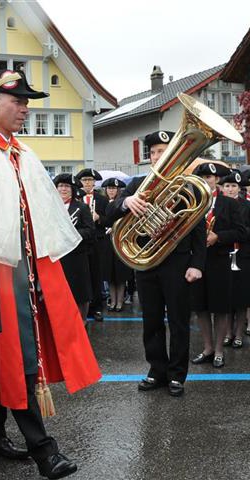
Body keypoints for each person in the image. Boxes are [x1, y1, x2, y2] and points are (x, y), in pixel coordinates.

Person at [0, 69, 101, 480]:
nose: (25, 108)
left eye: (27, 101)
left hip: (27, 271)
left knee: (4, 355)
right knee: (16, 357)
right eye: (17, 101)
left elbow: (42, 217)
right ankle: (44, 450)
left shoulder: (24, 153)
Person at [105, 130, 206, 397]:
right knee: (151, 320)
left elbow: (198, 230)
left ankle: (177, 375)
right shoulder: (137, 184)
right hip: (147, 261)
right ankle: (156, 370)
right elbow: (109, 214)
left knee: (178, 321)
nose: (157, 156)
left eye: (163, 150)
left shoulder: (188, 185)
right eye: (153, 153)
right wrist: (126, 202)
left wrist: (197, 264)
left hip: (178, 262)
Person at [190, 163, 246, 368]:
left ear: (217, 180)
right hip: (196, 260)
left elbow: (241, 232)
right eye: (203, 176)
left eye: (211, 177)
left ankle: (220, 351)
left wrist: (218, 237)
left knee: (220, 308)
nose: (207, 180)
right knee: (200, 307)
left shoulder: (229, 204)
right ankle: (208, 348)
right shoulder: (192, 202)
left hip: (220, 260)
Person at [53, 173, 95, 322]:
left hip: (77, 257)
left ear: (72, 189)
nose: (63, 189)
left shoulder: (81, 208)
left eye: (67, 186)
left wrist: (71, 233)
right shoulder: (51, 207)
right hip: (58, 257)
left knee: (80, 292)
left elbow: (90, 231)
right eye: (61, 186)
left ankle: (81, 321)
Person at [220, 171, 250, 348]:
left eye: (233, 186)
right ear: (222, 188)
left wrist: (237, 233)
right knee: (226, 297)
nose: (230, 189)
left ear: (239, 189)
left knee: (241, 297)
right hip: (224, 255)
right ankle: (228, 333)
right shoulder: (218, 205)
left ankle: (239, 333)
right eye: (227, 186)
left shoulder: (247, 205)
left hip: (244, 255)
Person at [75, 168, 108, 321]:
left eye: (90, 180)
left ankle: (97, 308)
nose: (87, 183)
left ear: (94, 182)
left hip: (98, 241)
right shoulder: (77, 199)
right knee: (82, 275)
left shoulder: (102, 199)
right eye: (84, 180)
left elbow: (111, 219)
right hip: (82, 243)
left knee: (96, 274)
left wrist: (99, 218)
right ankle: (83, 308)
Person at [100, 178, 132, 312]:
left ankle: (119, 302)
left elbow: (129, 219)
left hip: (120, 240)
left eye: (114, 188)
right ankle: (112, 301)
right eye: (109, 188)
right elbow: (101, 219)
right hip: (107, 242)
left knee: (120, 274)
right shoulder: (103, 203)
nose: (111, 190)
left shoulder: (123, 203)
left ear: (118, 190)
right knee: (110, 275)